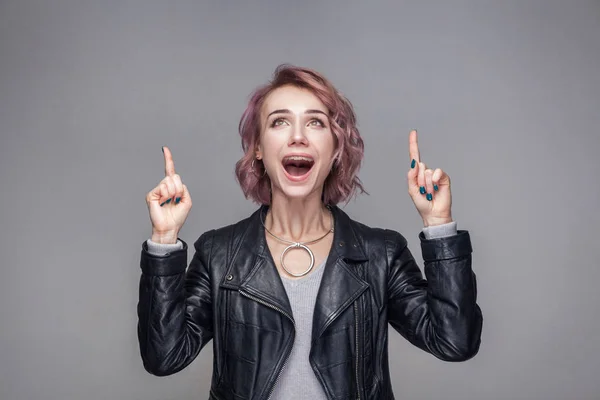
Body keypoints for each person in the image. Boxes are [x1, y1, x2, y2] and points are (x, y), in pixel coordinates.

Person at [137, 64, 483, 400]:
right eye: (280, 122)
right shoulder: (219, 254)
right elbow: (164, 357)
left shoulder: (381, 254)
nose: (298, 136)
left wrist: (438, 225)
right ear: (258, 148)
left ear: (336, 149)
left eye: (315, 122)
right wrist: (165, 241)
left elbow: (453, 342)